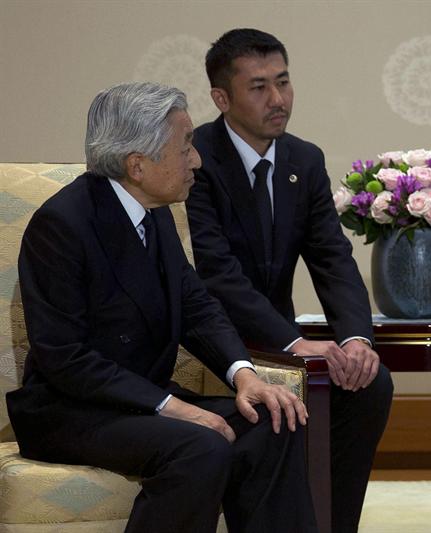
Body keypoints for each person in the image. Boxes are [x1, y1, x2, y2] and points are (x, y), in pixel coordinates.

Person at [7, 82, 318, 533]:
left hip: (140, 401)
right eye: (186, 146)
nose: (197, 160)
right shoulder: (62, 224)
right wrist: (175, 408)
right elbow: (66, 358)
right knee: (200, 447)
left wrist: (245, 375)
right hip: (70, 410)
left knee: (274, 420)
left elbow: (197, 307)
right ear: (137, 165)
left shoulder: (156, 213)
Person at [185, 28, 393, 533]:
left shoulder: (304, 159)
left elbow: (333, 258)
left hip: (278, 341)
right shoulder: (194, 160)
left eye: (283, 82)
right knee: (284, 404)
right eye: (259, 87)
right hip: (214, 341)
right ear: (221, 98)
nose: (278, 99)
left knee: (368, 384)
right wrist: (295, 342)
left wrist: (356, 339)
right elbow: (216, 273)